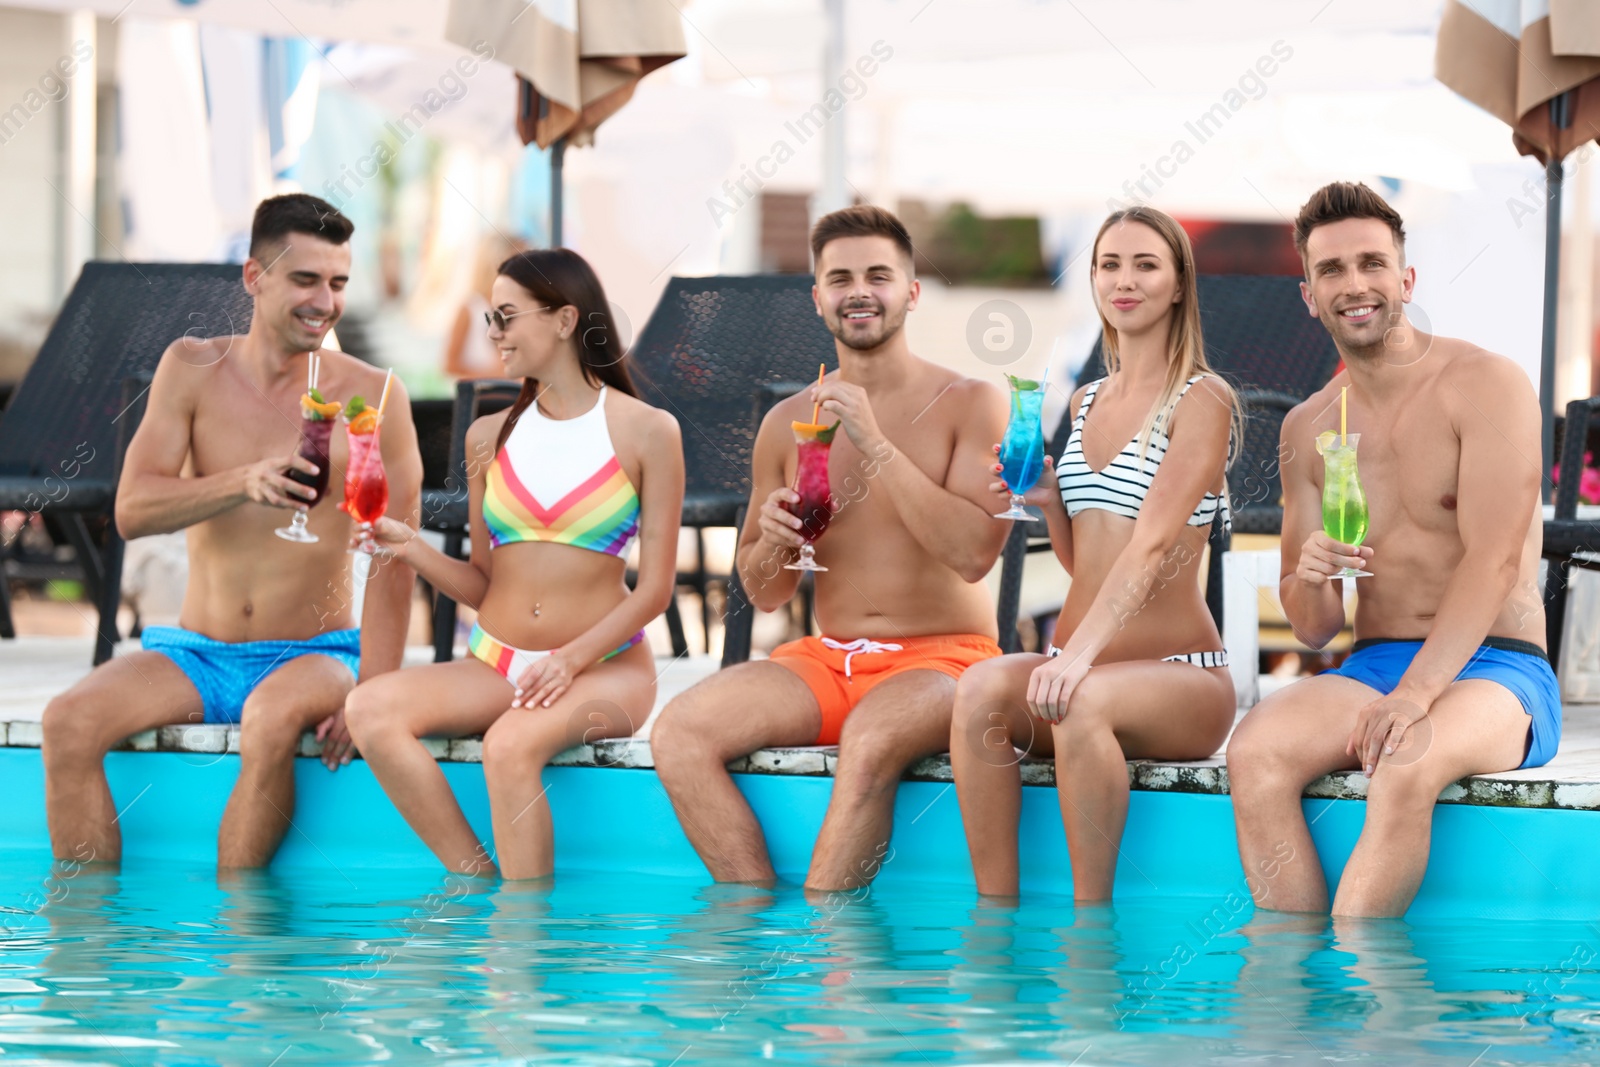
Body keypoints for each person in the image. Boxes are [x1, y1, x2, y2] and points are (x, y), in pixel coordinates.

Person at [41, 193, 422, 868]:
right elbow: (132, 509)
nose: (325, 301)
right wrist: (239, 482)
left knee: (269, 718)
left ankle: (238, 951)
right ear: (254, 277)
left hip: (317, 653)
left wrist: (376, 694)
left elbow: (399, 560)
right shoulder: (191, 367)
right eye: (305, 279)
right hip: (198, 652)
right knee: (66, 723)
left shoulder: (374, 395)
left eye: (337, 283)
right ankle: (89, 943)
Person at [650, 205, 1011, 891]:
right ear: (817, 298)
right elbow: (765, 591)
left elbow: (973, 554)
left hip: (947, 661)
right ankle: (753, 930)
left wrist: (874, 440)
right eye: (839, 277)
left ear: (911, 290)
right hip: (828, 658)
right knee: (680, 733)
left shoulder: (972, 403)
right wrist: (775, 544)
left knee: (869, 741)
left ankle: (821, 947)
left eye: (879, 274)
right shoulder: (789, 422)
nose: (859, 291)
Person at [1226, 181, 1559, 918]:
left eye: (1372, 263)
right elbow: (1312, 627)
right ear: (1308, 295)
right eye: (1333, 271)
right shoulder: (1308, 427)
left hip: (1498, 664)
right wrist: (1311, 576)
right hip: (1375, 662)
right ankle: (1296, 987)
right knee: (1254, 754)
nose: (1355, 284)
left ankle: (1368, 1008)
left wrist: (1415, 696)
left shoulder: (1485, 383)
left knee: (1404, 761)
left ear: (1405, 280)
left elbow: (1496, 560)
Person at [343, 248, 684, 880]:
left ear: (562, 320)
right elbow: (482, 584)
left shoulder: (648, 431)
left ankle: (526, 946)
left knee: (509, 744)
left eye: (505, 317)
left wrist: (569, 660)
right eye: (488, 319)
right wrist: (408, 544)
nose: (493, 333)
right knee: (369, 709)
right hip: (498, 663)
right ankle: (475, 884)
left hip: (603, 671)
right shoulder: (488, 436)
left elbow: (655, 592)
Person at [949, 206, 1241, 902]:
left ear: (1178, 285)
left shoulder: (1204, 399)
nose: (1124, 279)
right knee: (978, 690)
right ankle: (998, 915)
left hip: (1179, 677)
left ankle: (1092, 928)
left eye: (1146, 265)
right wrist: (1051, 499)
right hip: (1082, 668)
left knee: (1080, 703)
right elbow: (1090, 567)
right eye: (1110, 264)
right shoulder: (1082, 402)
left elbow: (1155, 542)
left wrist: (1074, 656)